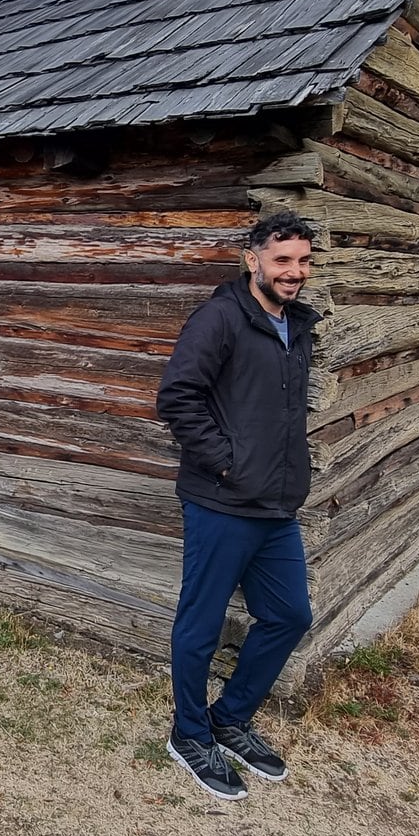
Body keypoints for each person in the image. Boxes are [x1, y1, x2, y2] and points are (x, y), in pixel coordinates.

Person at [153, 209, 319, 800]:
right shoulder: (220, 318)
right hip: (221, 501)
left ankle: (231, 717)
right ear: (253, 260)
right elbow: (177, 397)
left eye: (302, 261)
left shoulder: (297, 325)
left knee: (290, 615)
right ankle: (189, 734)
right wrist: (229, 463)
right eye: (282, 260)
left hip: (276, 506)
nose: (294, 272)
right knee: (200, 624)